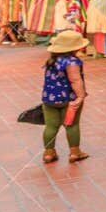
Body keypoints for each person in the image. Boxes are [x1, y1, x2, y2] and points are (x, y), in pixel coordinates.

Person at [41, 29, 90, 165]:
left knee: (50, 127)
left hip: (49, 99)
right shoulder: (72, 61)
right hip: (69, 99)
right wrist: (80, 97)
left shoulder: (51, 60)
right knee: (72, 125)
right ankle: (75, 152)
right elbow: (75, 80)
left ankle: (49, 153)